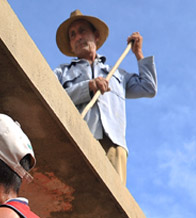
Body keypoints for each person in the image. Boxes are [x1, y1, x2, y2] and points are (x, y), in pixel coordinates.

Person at [54, 9, 157, 184]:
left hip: (113, 145)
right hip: (78, 140)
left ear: (96, 36)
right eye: (72, 35)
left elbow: (148, 87)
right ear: (71, 45)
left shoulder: (116, 73)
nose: (78, 37)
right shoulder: (61, 73)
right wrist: (88, 87)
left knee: (112, 202)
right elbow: (54, 99)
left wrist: (138, 53)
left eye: (82, 31)